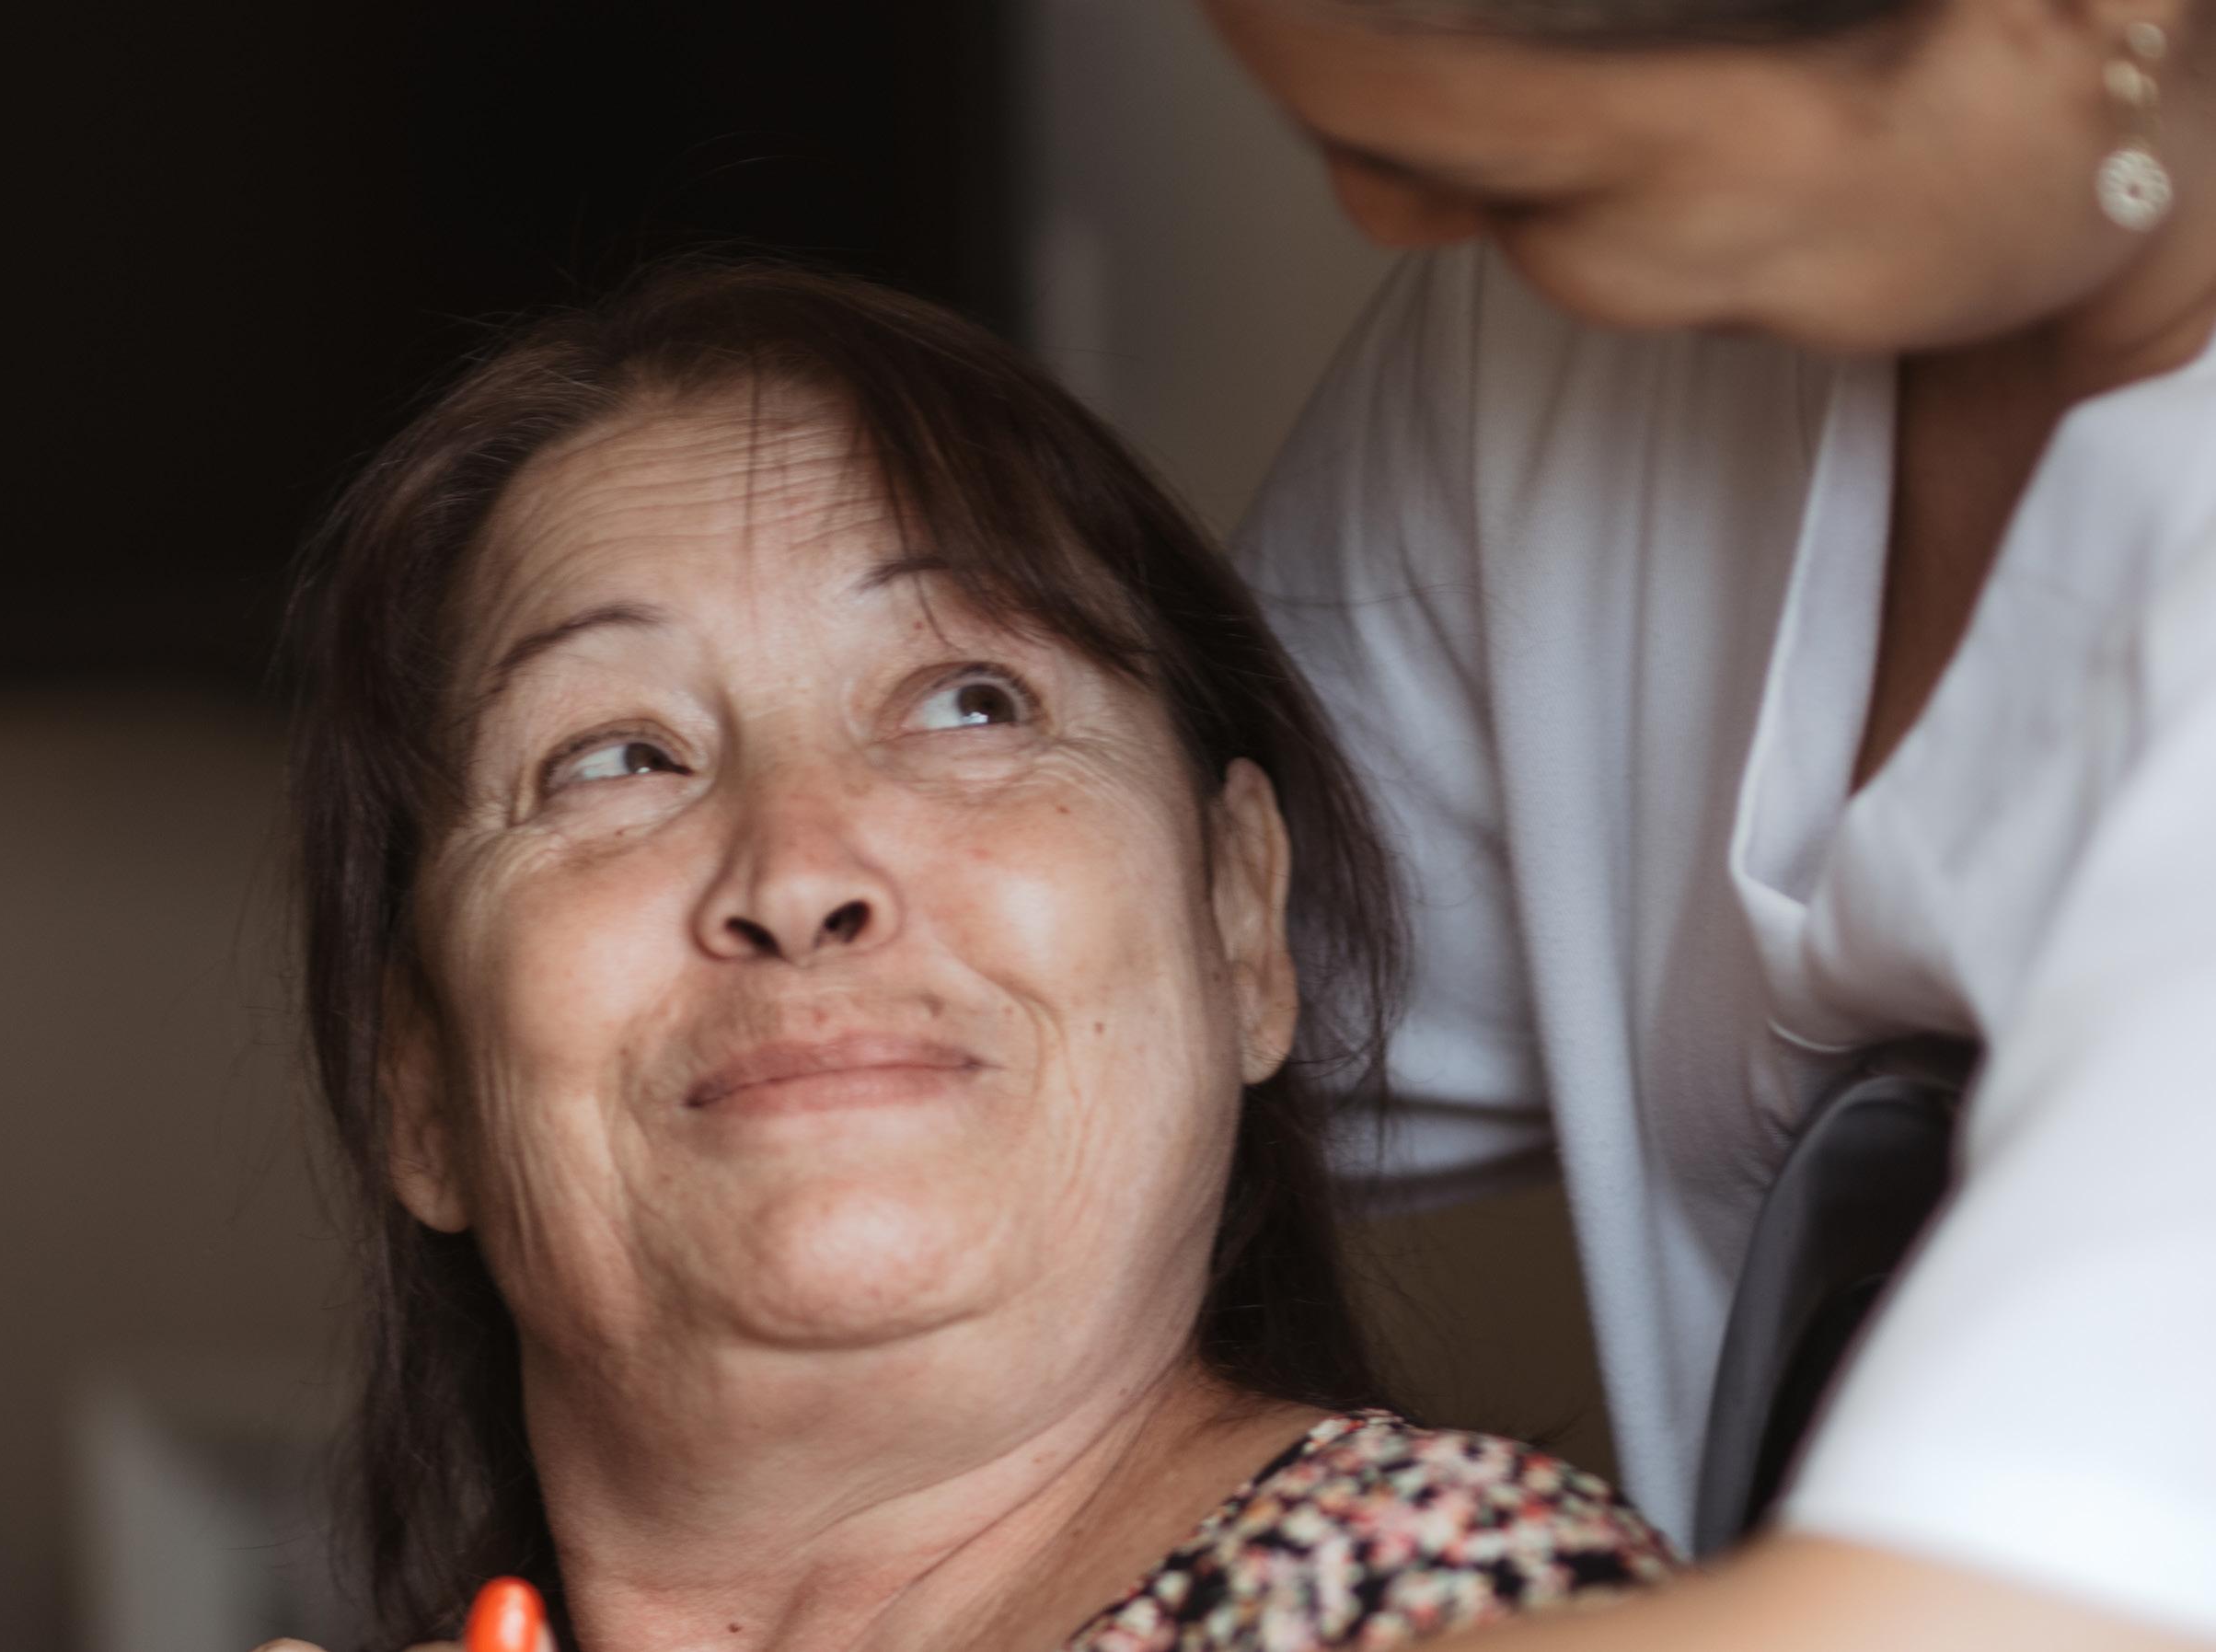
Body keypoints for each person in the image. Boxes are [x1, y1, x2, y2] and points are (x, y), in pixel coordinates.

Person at [267, 264, 1673, 1652]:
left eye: (968, 703)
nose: (799, 876)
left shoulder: (1458, 1607)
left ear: (1240, 921)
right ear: (420, 1085)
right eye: (617, 759)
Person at [1196, 0, 2216, 1646]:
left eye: (1516, 173)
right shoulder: (1548, 332)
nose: (1379, 216)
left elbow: (1986, 1610)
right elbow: (1133, 1033)